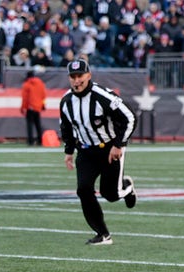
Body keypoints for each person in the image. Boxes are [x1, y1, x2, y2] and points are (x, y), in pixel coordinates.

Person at [60, 59, 137, 245]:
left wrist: (119, 144)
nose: (76, 80)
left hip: (109, 149)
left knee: (110, 194)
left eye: (80, 76)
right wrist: (68, 151)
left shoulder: (102, 95)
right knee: (83, 189)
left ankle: (127, 188)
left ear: (88, 75)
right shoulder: (66, 101)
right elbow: (66, 128)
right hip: (85, 151)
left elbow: (130, 117)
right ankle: (102, 234)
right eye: (73, 76)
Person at [20, 70, 47, 146]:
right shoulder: (40, 83)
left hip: (30, 107)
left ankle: (30, 141)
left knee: (30, 125)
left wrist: (22, 108)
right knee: (38, 124)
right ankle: (40, 140)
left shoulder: (27, 84)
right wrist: (42, 105)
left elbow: (25, 98)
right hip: (38, 107)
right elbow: (43, 95)